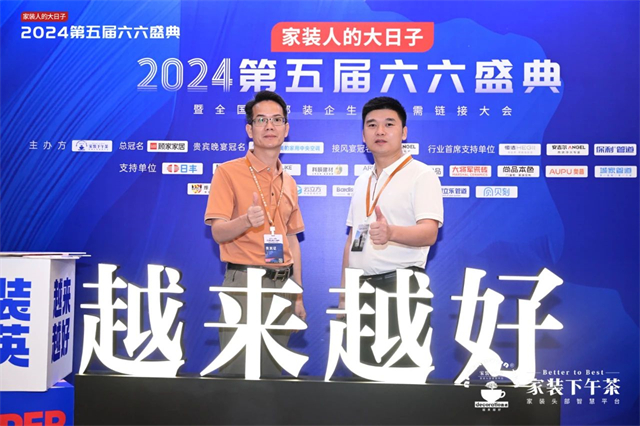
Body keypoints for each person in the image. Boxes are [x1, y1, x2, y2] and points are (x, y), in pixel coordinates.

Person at [204, 90, 306, 377]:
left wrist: (297, 295)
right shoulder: (227, 172)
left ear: (286, 128)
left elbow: (291, 240)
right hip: (245, 284)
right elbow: (219, 232)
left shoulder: (289, 181)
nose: (269, 126)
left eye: (277, 120)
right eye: (261, 120)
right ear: (250, 129)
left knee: (273, 377)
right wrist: (246, 221)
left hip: (282, 286)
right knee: (239, 375)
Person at [340, 96, 443, 367]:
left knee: (401, 378)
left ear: (404, 132)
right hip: (360, 290)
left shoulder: (422, 175)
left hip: (401, 288)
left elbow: (429, 233)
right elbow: (353, 239)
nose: (380, 131)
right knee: (362, 376)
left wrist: (391, 233)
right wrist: (344, 294)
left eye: (389, 124)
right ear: (363, 135)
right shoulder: (362, 180)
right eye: (372, 125)